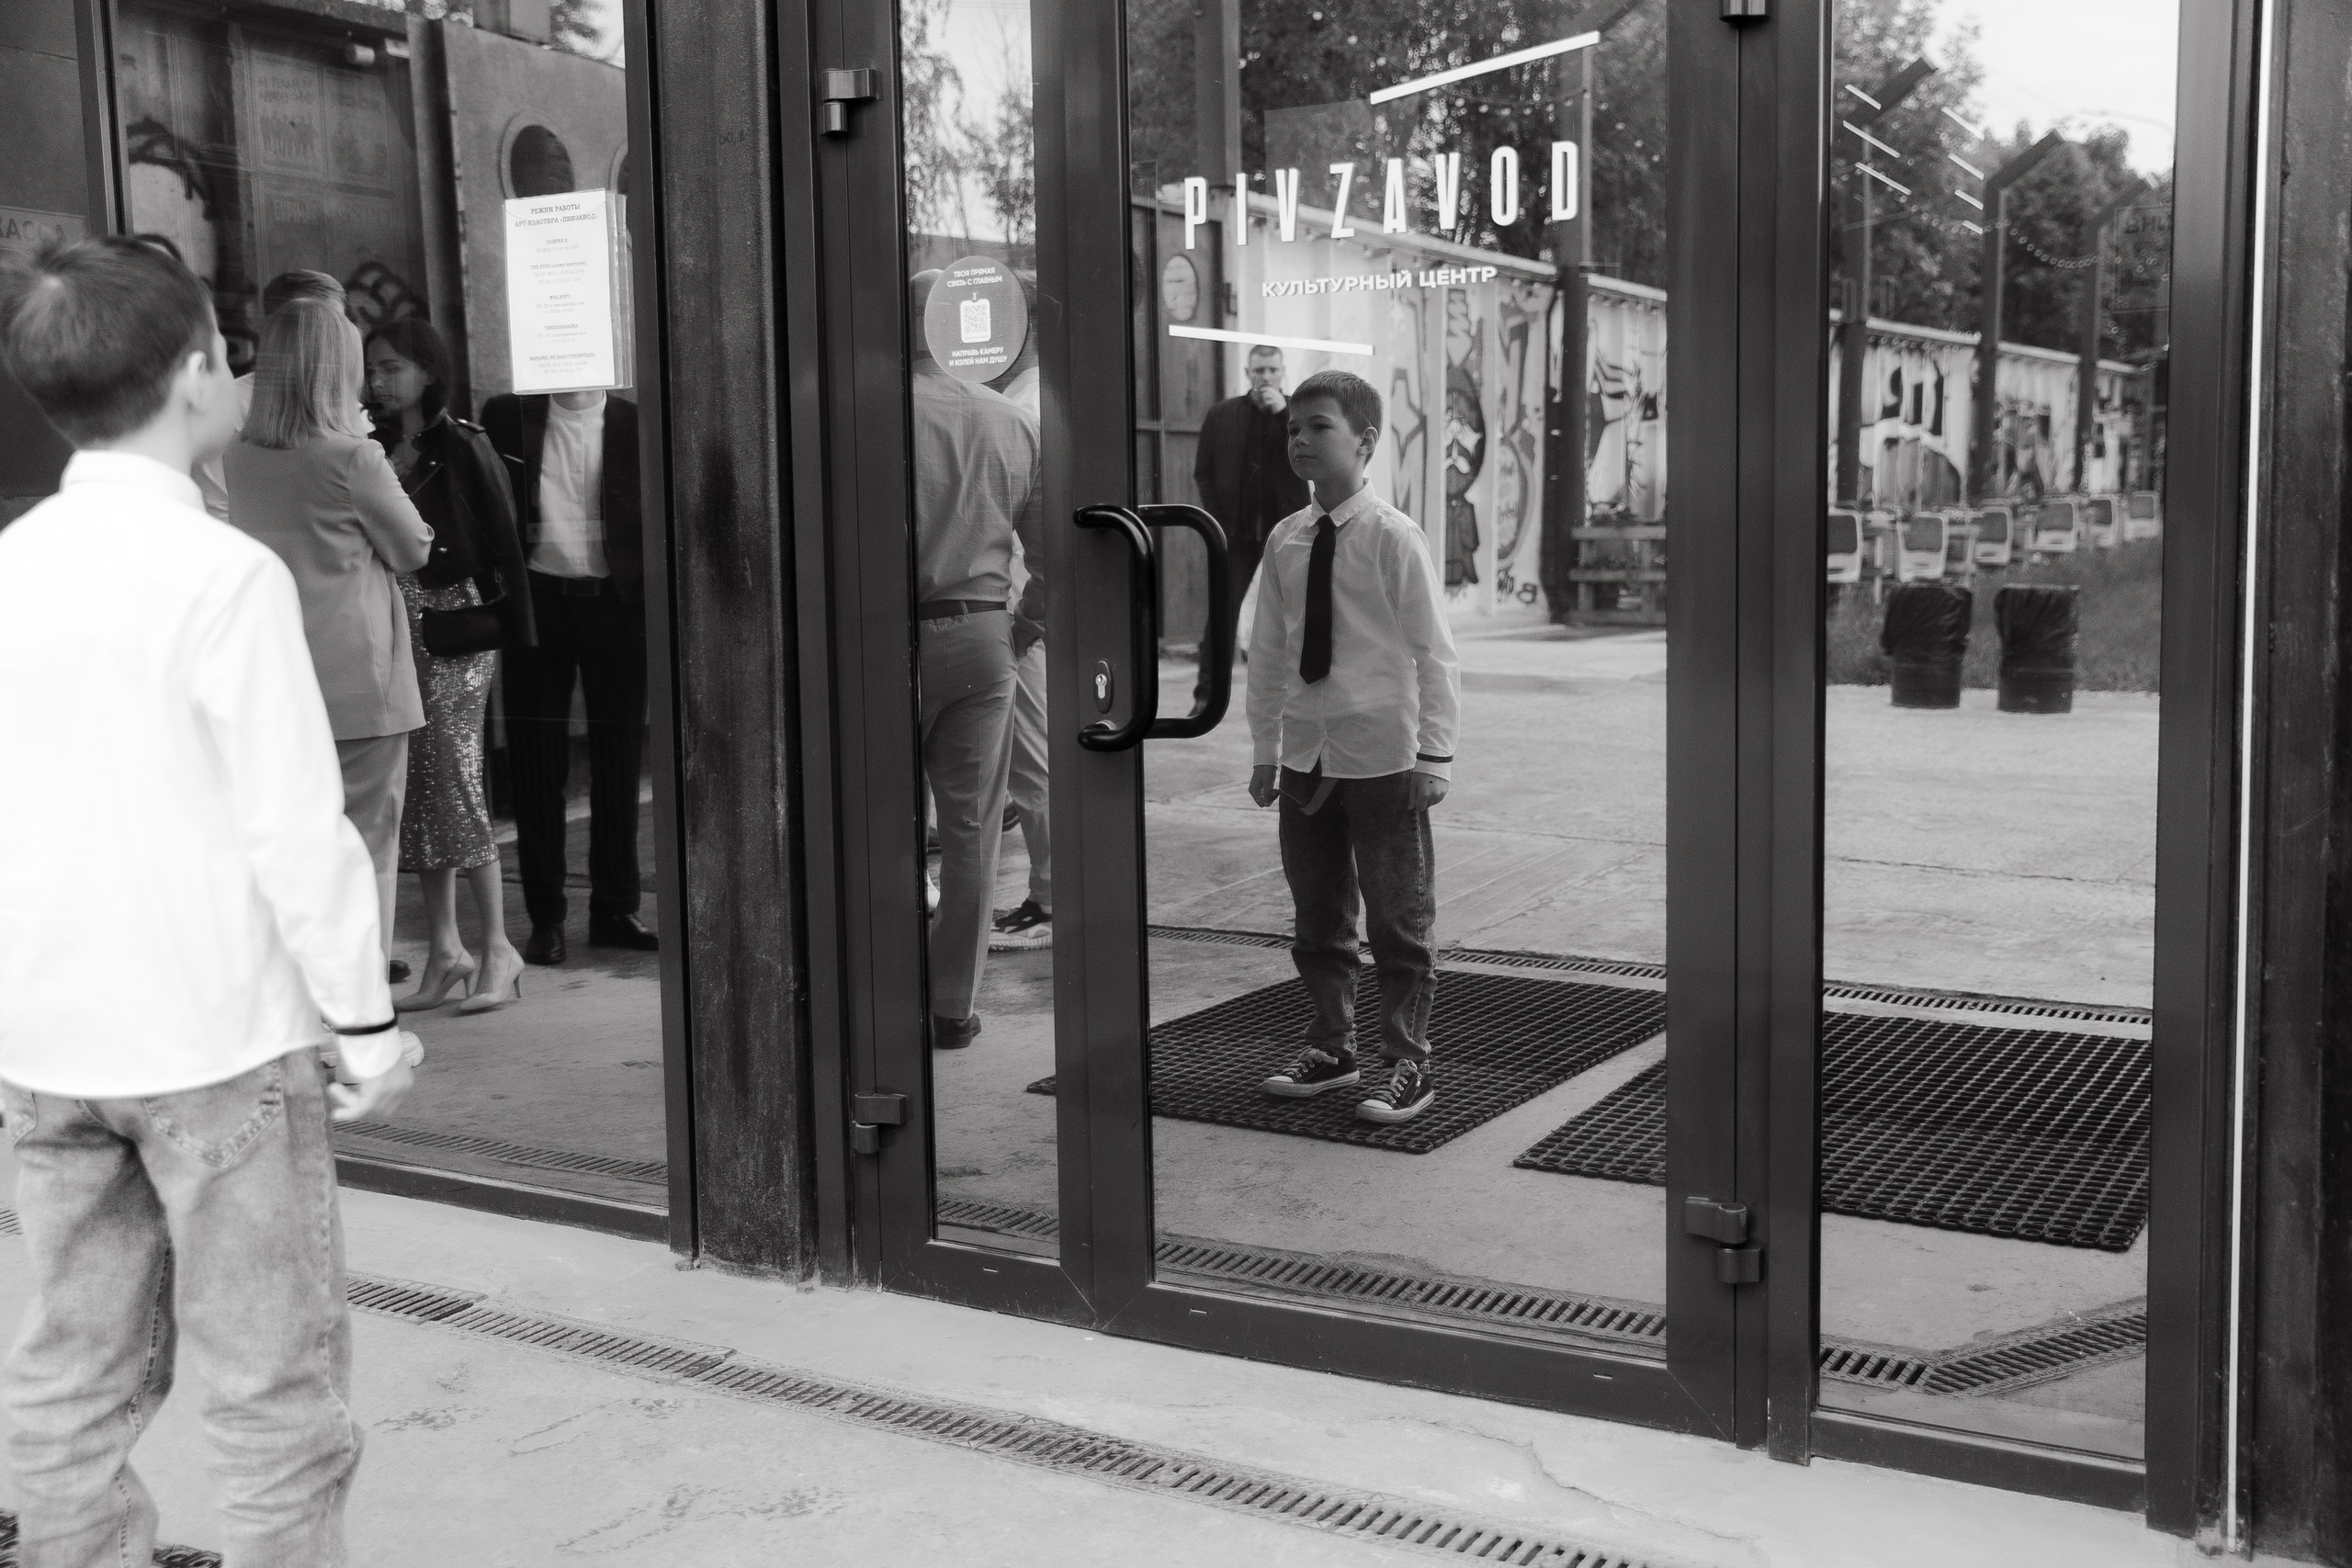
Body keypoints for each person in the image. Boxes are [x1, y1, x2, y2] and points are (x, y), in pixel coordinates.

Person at [0, 234, 415, 1565]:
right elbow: (296, 825)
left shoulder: (12, 566)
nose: (235, 366)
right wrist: (365, 1023)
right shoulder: (221, 574)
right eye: (225, 351)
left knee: (68, 1378)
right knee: (272, 1392)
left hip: (47, 1046)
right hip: (216, 1041)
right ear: (192, 377)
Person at [1247, 370, 1460, 1124]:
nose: (1300, 438)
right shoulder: (1285, 540)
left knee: (1399, 919)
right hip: (1307, 758)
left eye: (1319, 426)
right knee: (1317, 916)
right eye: (1293, 429)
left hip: (1383, 760)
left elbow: (1434, 653)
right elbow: (1269, 652)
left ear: (1365, 442)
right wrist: (1264, 749)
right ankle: (1333, 1047)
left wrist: (1435, 755)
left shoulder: (1393, 538)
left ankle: (1409, 1061)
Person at [226, 299, 435, 965]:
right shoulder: (354, 457)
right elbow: (413, 550)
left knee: (290, 849)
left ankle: (304, 1007)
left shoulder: (239, 455)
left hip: (275, 679)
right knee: (369, 846)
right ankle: (363, 1011)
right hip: (359, 678)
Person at [366, 318, 537, 1013]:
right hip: (393, 627)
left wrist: (520, 629)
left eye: (392, 366)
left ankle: (497, 943)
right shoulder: (371, 446)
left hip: (455, 627)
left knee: (457, 780)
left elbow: (502, 535)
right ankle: (445, 949)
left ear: (428, 371)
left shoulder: (462, 443)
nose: (379, 380)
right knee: (419, 792)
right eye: (373, 368)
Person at [908, 269, 1046, 1046]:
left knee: (885, 827)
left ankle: (883, 988)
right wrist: (1023, 626)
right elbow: (1054, 554)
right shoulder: (1010, 421)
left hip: (884, 639)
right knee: (972, 833)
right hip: (984, 633)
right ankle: (951, 1007)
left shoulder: (871, 417)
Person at [481, 382, 657, 964]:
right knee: (536, 763)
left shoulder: (637, 422)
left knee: (618, 758)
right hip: (539, 605)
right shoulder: (508, 417)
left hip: (617, 602)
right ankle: (545, 916)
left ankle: (614, 906)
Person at [1193, 345, 1310, 699]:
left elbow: (1311, 461)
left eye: (1273, 370)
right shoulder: (1223, 414)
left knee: (1300, 611)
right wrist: (1218, 519)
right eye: (1259, 371)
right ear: (1247, 373)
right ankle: (1208, 694)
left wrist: (1284, 415)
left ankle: (1303, 691)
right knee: (1222, 611)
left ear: (1283, 371)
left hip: (1288, 528)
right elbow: (1204, 471)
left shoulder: (1298, 415)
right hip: (1236, 530)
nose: (1266, 378)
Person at [195, 269, 347, 525]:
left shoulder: (347, 402)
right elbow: (219, 508)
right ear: (273, 329)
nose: (335, 339)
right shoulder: (230, 405)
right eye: (317, 326)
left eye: (340, 326)